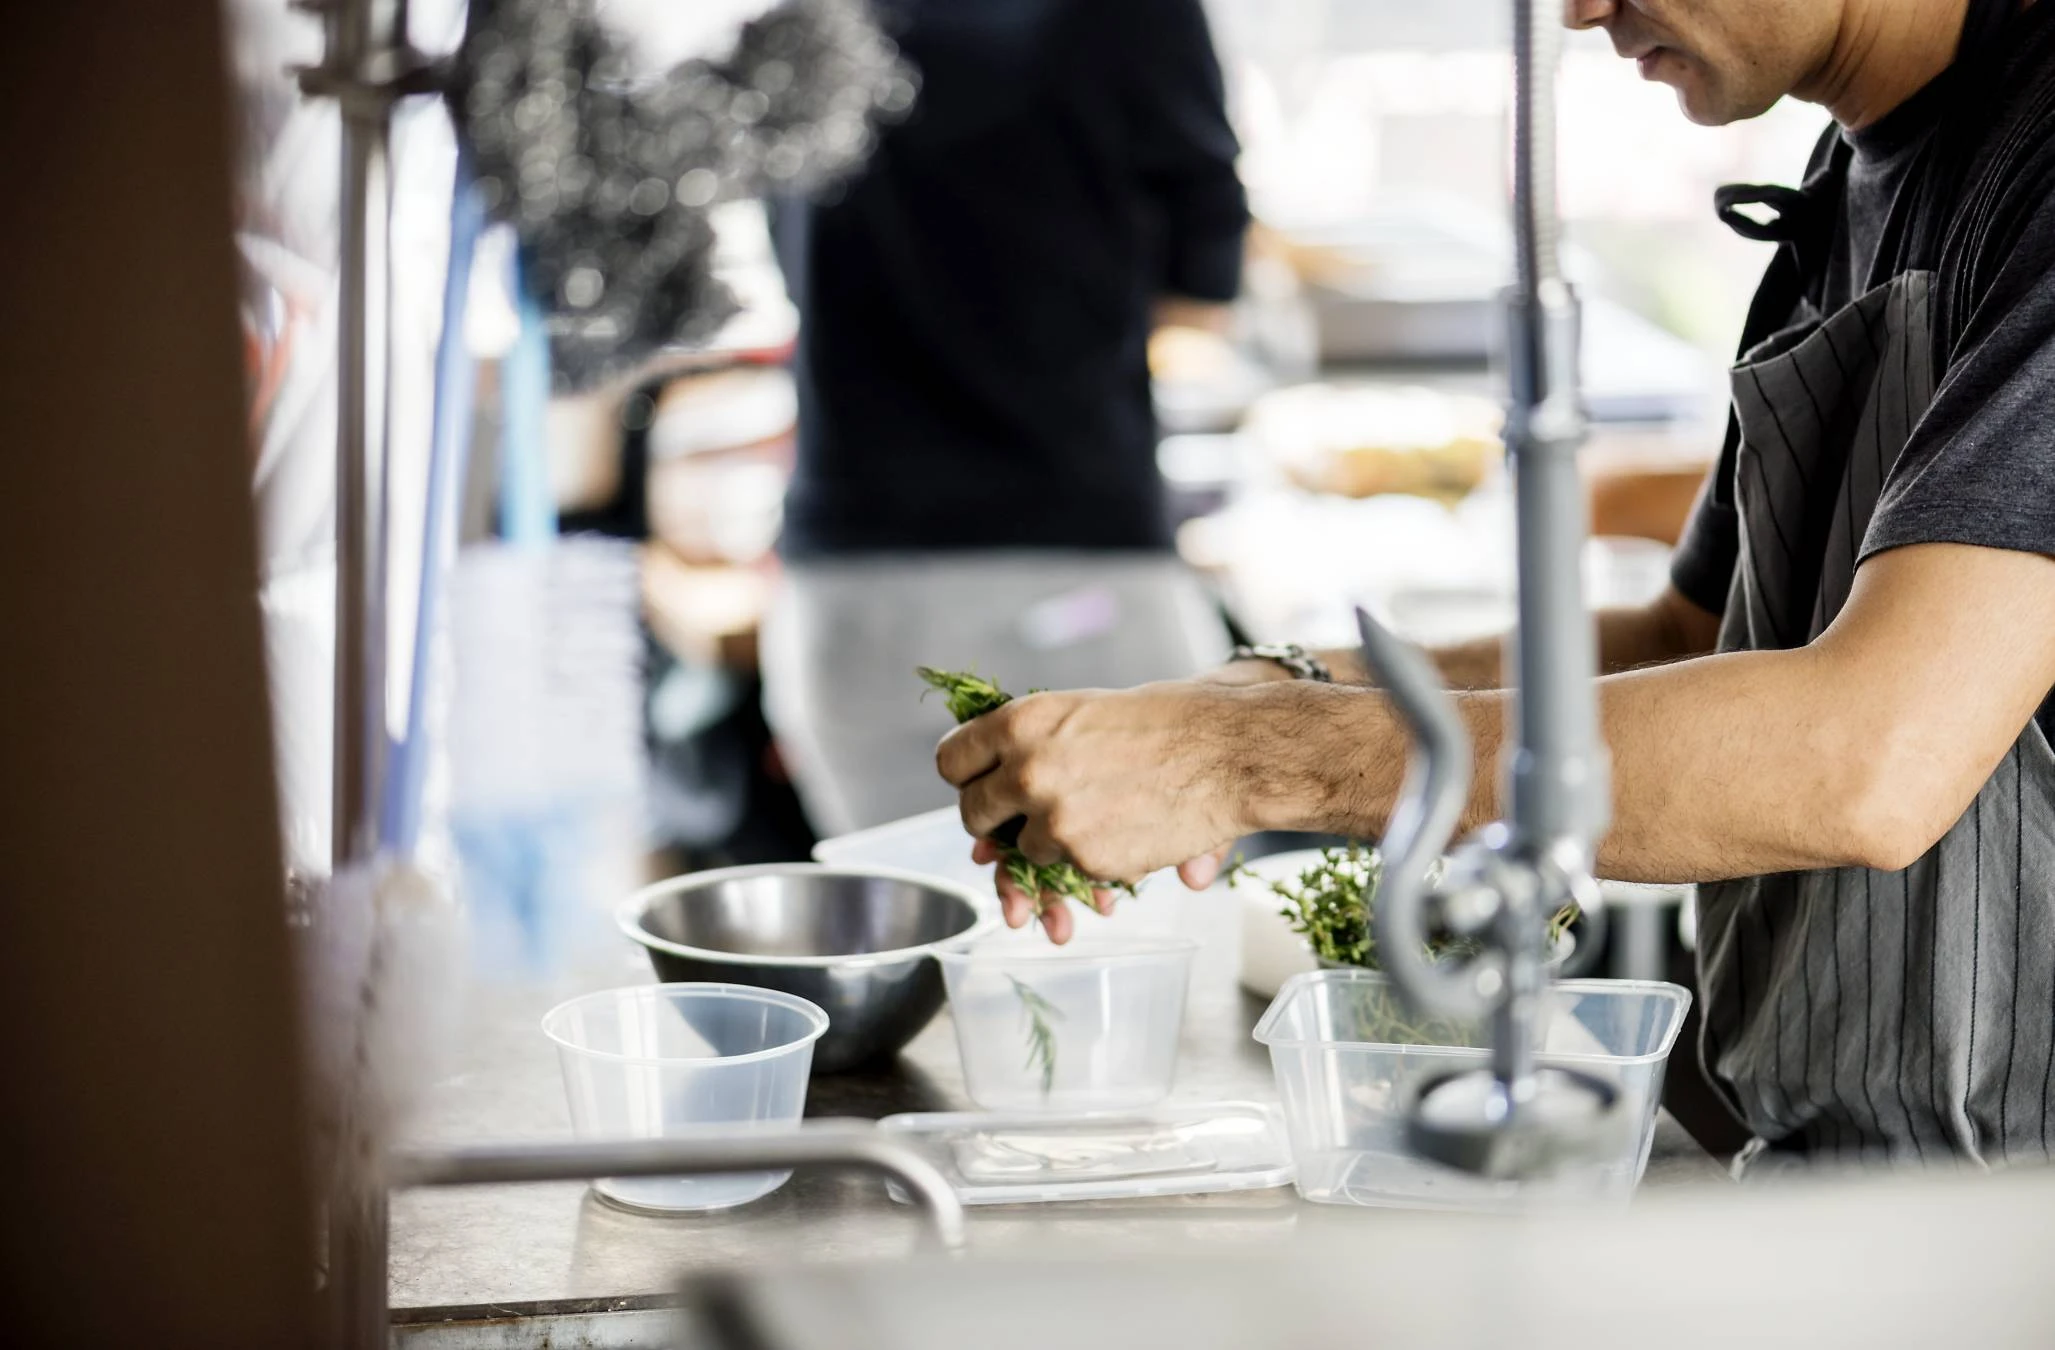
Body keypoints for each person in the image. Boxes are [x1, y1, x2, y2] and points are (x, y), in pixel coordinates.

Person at [937, 0, 2055, 1170]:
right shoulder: (1848, 175)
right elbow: (1687, 631)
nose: (1575, 11)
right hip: (1850, 1180)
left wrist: (1241, 759)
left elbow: (1870, 759)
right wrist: (1273, 687)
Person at [761, 0, 1250, 838]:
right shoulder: (1131, 16)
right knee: (1147, 951)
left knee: (911, 948)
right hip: (1071, 580)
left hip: (843, 601)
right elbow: (1202, 284)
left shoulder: (796, 11)